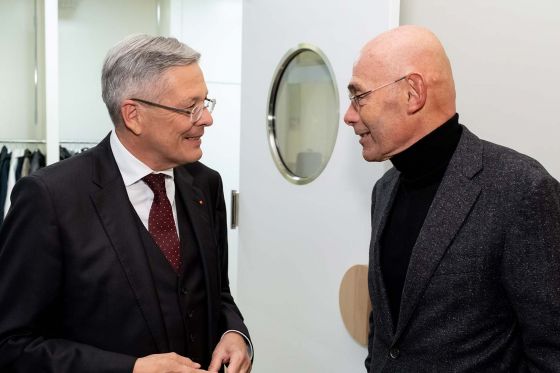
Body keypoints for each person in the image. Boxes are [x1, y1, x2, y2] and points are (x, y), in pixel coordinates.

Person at [0, 34, 252, 373]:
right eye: (190, 107)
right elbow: (12, 344)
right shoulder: (50, 199)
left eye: (206, 103)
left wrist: (235, 333)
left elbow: (218, 294)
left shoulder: (205, 184)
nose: (206, 119)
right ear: (133, 115)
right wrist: (130, 369)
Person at [344, 25, 560, 372]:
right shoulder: (383, 190)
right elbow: (388, 326)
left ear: (413, 93)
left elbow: (552, 350)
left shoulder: (521, 189)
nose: (349, 115)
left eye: (359, 96)